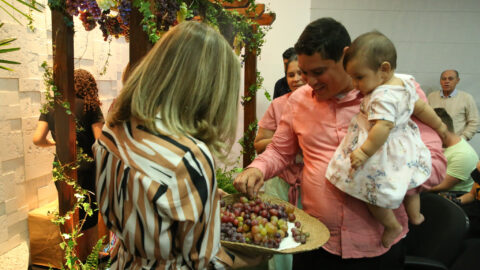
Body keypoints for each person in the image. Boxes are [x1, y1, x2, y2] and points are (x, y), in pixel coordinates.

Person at [234, 18, 446, 270]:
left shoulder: (396, 94)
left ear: (344, 56)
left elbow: (436, 163)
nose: (309, 81)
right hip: (314, 243)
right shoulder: (297, 101)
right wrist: (256, 169)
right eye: (304, 72)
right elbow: (280, 151)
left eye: (319, 71)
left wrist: (386, 175)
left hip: (377, 247)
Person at [93, 21, 265, 269]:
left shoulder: (114, 128)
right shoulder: (189, 155)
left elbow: (144, 194)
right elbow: (202, 263)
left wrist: (205, 195)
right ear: (210, 89)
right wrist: (251, 259)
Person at [325, 31, 447, 248]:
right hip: (406, 145)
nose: (354, 85)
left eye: (359, 77)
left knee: (372, 192)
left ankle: (391, 225)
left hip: (383, 148)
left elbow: (383, 127)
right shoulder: (406, 82)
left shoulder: (383, 97)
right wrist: (439, 126)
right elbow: (420, 108)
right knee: (410, 184)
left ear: (384, 69)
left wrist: (363, 152)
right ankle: (415, 215)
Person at [33, 68, 105, 261]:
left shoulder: (51, 106)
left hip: (62, 168)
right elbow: (99, 143)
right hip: (87, 168)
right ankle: (89, 257)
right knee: (89, 214)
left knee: (69, 211)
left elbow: (37, 139)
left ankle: (74, 258)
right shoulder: (90, 107)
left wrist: (55, 143)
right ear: (88, 86)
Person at [255, 54, 305, 270]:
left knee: (306, 239)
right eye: (290, 74)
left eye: (300, 73)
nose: (296, 78)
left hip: (309, 186)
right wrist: (287, 141)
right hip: (280, 184)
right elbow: (258, 144)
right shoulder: (277, 105)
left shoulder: (321, 104)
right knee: (279, 239)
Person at [429, 108, 478, 194]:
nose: (428, 136)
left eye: (430, 132)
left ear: (443, 128)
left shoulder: (462, 154)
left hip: (454, 200)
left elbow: (441, 186)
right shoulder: (446, 147)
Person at [427, 70, 479, 141]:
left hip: (457, 142)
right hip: (435, 142)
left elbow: (474, 122)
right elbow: (426, 119)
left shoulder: (466, 98)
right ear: (440, 81)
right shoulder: (431, 97)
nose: (447, 81)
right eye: (444, 79)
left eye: (450, 79)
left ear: (457, 80)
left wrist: (463, 138)